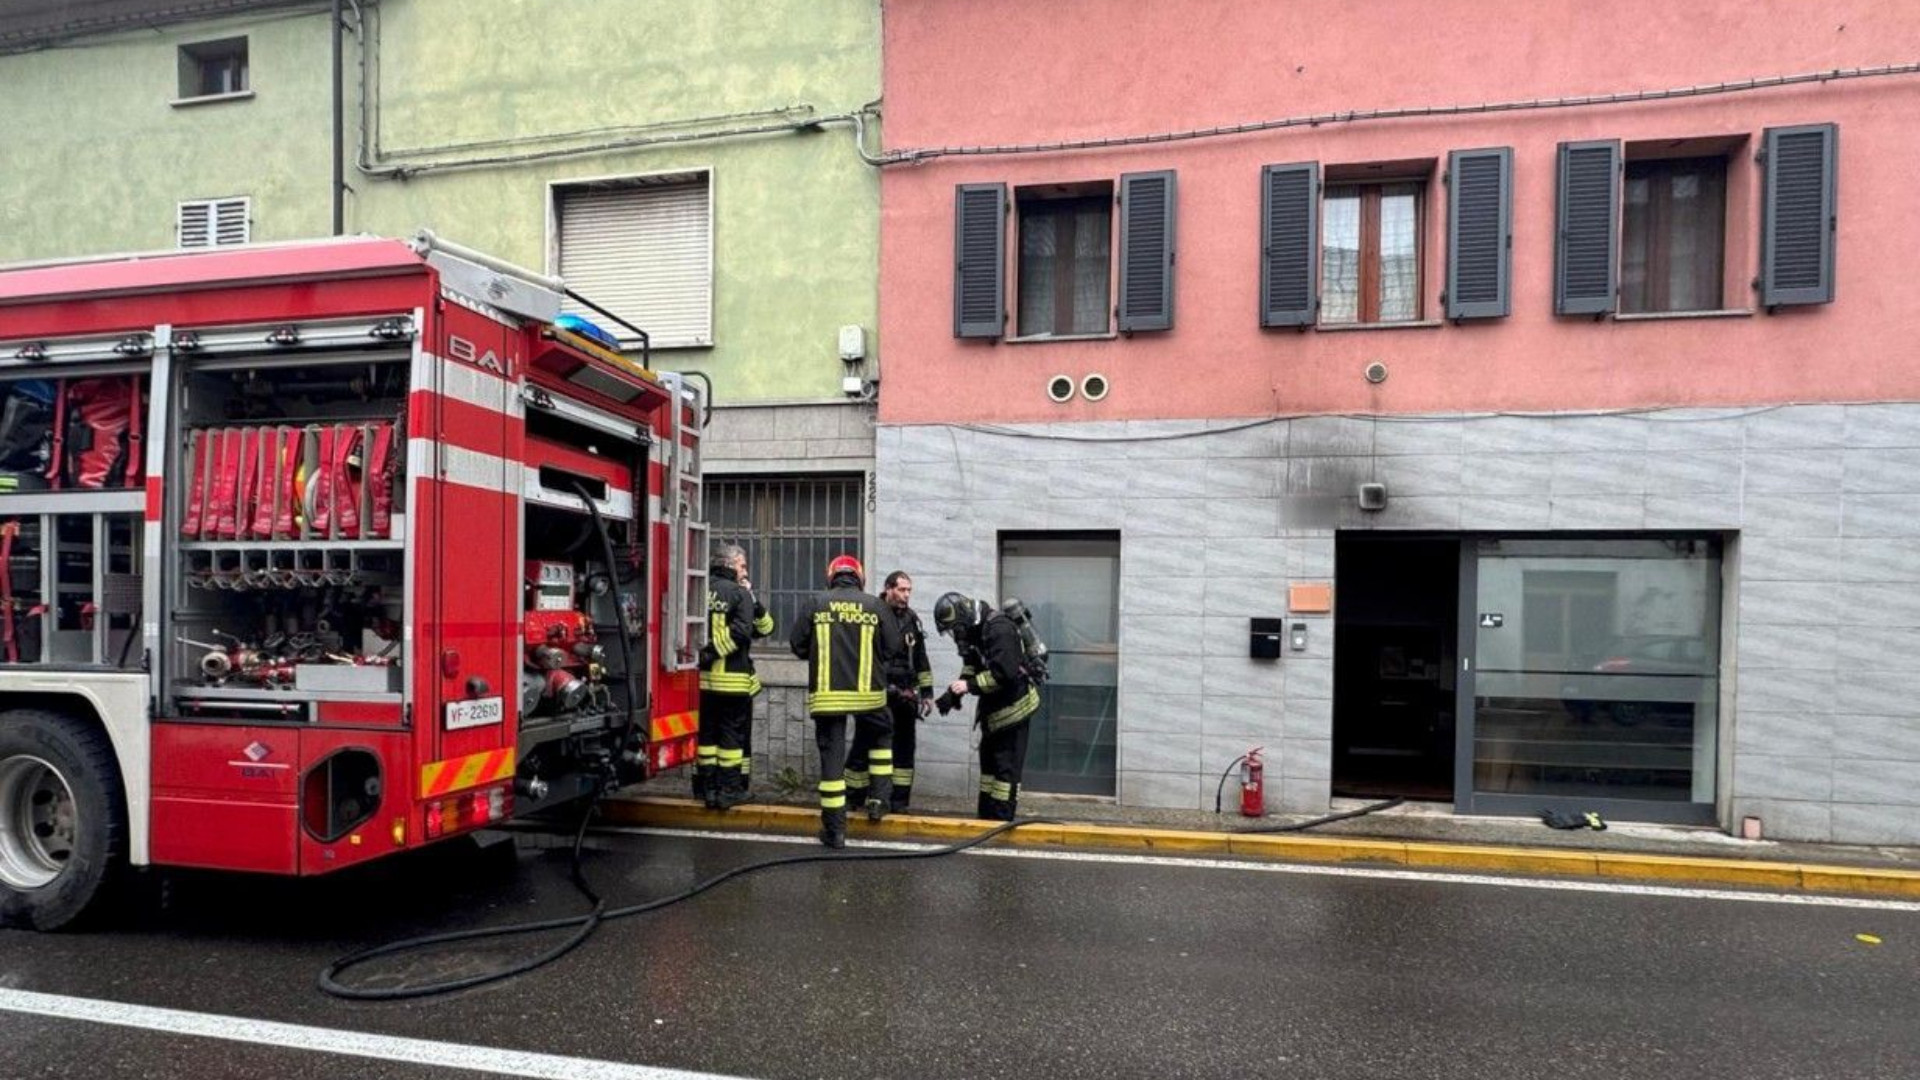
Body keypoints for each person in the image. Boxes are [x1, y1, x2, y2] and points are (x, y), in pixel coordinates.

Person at [789, 554, 901, 847]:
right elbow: (893, 647)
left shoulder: (816, 603)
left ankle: (835, 831)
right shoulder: (875, 605)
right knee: (881, 738)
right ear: (859, 577)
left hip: (828, 698)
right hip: (870, 696)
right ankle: (878, 801)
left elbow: (797, 645)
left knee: (832, 764)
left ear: (831, 577)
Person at [933, 592, 1040, 821]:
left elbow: (1004, 675)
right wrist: (953, 694)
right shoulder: (976, 632)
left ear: (964, 619)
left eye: (955, 629)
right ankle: (986, 818)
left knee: (1005, 772)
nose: (955, 636)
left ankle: (1001, 820)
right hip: (994, 714)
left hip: (1014, 712)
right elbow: (972, 666)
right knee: (989, 770)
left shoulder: (999, 630)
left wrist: (968, 686)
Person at [696, 542, 773, 810]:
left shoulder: (696, 587)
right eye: (742, 565)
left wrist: (702, 655)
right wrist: (714, 652)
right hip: (733, 681)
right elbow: (751, 631)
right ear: (730, 565)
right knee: (731, 738)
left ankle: (705, 790)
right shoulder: (740, 594)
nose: (745, 570)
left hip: (702, 682)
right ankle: (729, 791)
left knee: (706, 737)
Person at [851, 570, 933, 814]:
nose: (906, 595)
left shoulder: (912, 619)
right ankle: (855, 797)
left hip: (906, 695)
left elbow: (921, 658)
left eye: (909, 591)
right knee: (865, 745)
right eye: (901, 589)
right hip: (878, 692)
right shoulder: (872, 614)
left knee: (905, 748)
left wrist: (926, 692)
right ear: (888, 588)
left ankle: (898, 801)